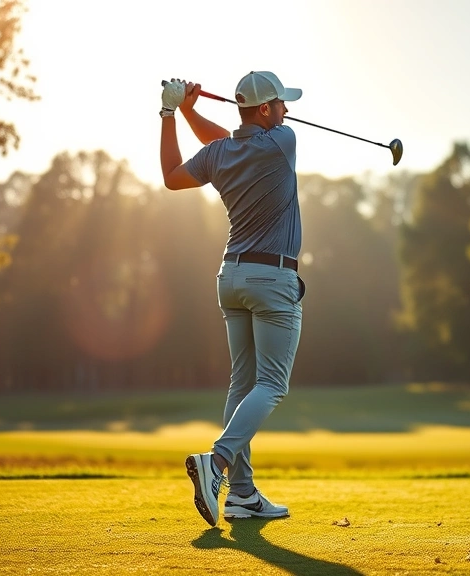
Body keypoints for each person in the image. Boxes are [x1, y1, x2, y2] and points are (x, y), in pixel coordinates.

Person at [159, 72, 306, 527]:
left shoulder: (221, 154)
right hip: (272, 278)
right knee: (272, 384)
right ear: (265, 110)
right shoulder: (284, 141)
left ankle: (241, 495)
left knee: (241, 386)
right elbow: (229, 137)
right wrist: (188, 110)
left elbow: (172, 177)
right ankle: (217, 464)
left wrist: (174, 112)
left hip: (232, 276)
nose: (286, 109)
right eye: (280, 103)